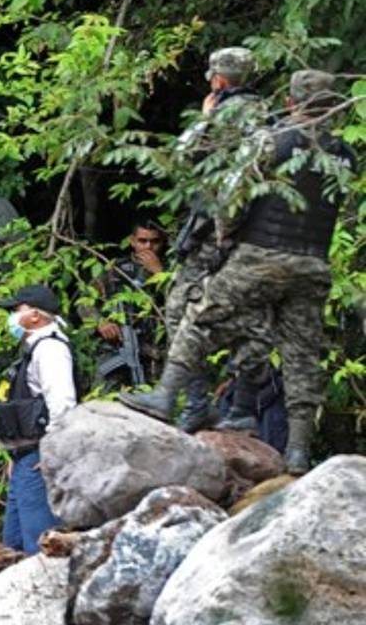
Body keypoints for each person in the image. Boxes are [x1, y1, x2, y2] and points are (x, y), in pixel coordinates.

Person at [122, 70, 355, 474]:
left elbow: (233, 197)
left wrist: (225, 238)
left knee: (200, 318)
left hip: (261, 254)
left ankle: (165, 396)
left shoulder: (271, 140)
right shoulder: (345, 154)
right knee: (302, 355)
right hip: (313, 263)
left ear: (290, 102)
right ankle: (298, 451)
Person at [163, 47, 271, 431]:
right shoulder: (267, 113)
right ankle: (241, 408)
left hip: (216, 231)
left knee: (178, 310)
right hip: (255, 234)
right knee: (248, 317)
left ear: (219, 80)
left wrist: (205, 118)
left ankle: (196, 403)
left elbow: (181, 158)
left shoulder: (226, 114)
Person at [0, 285, 75, 555]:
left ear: (36, 316)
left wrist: (52, 453)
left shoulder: (50, 349)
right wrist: (14, 455)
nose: (12, 317)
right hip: (24, 455)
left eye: (17, 310)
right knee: (13, 545)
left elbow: (62, 404)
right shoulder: (34, 347)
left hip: (40, 457)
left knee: (39, 546)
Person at [87, 221, 168, 388]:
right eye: (142, 241)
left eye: (155, 241)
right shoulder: (115, 269)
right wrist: (100, 322)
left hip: (157, 353)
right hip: (117, 347)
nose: (148, 247)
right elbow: (85, 302)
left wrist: (160, 274)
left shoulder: (170, 270)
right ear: (132, 241)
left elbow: (183, 302)